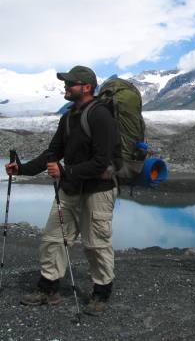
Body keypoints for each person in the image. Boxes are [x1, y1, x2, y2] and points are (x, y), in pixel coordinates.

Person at [5, 65, 120, 315]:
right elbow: (52, 153)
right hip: (70, 190)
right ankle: (49, 288)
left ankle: (101, 292)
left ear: (87, 87)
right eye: (66, 83)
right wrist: (22, 169)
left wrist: (66, 172)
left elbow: (102, 161)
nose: (65, 87)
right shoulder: (68, 117)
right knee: (52, 238)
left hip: (97, 191)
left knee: (96, 244)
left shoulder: (100, 116)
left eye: (70, 83)